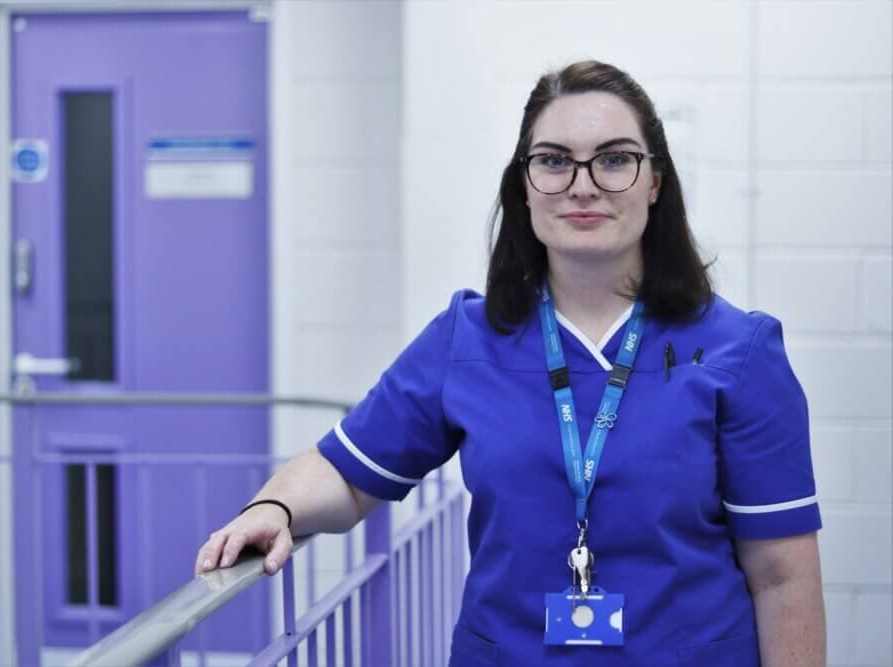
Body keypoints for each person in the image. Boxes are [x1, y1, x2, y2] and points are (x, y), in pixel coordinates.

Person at [196, 60, 825, 666]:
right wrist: (272, 508)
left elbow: (782, 577)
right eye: (553, 161)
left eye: (614, 159)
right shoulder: (465, 339)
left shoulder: (737, 352)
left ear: (655, 181)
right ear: (524, 184)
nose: (583, 184)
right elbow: (349, 472)